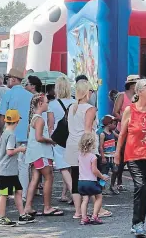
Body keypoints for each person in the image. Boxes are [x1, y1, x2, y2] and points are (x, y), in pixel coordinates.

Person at [115, 79, 146, 236]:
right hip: (134, 155)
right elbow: (122, 133)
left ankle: (137, 221)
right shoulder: (130, 110)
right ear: (139, 92)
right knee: (141, 186)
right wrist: (117, 153)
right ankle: (138, 224)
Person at [66, 79, 112, 220]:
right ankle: (98, 209)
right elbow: (87, 129)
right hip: (85, 145)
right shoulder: (89, 108)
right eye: (91, 91)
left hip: (72, 144)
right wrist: (91, 147)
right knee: (91, 177)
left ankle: (78, 211)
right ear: (87, 92)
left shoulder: (72, 107)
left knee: (76, 179)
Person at [24, 93, 63, 216]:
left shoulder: (35, 118)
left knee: (35, 179)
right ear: (40, 104)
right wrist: (51, 141)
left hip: (35, 153)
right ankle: (47, 207)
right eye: (46, 102)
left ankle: (28, 206)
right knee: (48, 177)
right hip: (41, 153)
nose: (48, 104)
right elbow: (39, 137)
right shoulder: (40, 119)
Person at [0, 68, 33, 201]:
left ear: (13, 79)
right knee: (24, 166)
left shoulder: (8, 94)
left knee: (7, 165)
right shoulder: (30, 95)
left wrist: (1, 132)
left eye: (8, 78)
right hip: (25, 134)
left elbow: (1, 116)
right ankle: (23, 194)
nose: (7, 80)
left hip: (10, 133)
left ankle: (7, 192)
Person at [0, 109, 35, 227]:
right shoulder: (11, 135)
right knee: (4, 194)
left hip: (9, 170)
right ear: (17, 121)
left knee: (18, 190)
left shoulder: (4, 133)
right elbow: (9, 152)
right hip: (7, 170)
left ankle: (22, 214)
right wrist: (21, 149)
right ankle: (1, 217)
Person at [47, 76, 75, 203]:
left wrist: (49, 137)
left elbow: (51, 125)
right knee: (70, 167)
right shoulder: (75, 102)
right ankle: (66, 193)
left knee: (63, 168)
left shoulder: (52, 104)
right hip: (73, 137)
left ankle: (74, 195)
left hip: (59, 138)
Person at [78, 133, 109, 225]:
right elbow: (94, 170)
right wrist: (102, 176)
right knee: (99, 197)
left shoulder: (80, 155)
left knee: (85, 200)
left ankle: (84, 218)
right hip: (91, 181)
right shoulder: (93, 157)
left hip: (81, 181)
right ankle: (95, 216)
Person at [99, 115, 120, 195]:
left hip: (112, 156)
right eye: (114, 124)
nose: (115, 126)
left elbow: (119, 137)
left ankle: (112, 185)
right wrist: (103, 157)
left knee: (115, 170)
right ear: (108, 124)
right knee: (104, 172)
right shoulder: (102, 134)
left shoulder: (112, 132)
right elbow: (101, 146)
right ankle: (102, 187)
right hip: (106, 156)